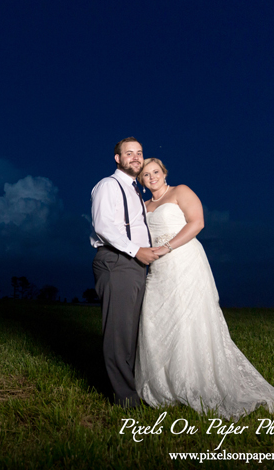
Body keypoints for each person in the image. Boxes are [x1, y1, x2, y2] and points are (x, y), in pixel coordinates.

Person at [134, 157, 274, 420]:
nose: (151, 177)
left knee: (189, 319)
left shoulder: (180, 191)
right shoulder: (144, 205)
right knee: (157, 319)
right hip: (159, 269)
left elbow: (197, 223)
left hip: (184, 259)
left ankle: (195, 382)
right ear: (141, 180)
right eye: (145, 175)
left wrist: (165, 248)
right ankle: (165, 386)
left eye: (155, 171)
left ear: (164, 172)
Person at [90, 137, 160, 408]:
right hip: (117, 262)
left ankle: (131, 391)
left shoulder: (135, 190)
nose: (135, 157)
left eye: (139, 153)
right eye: (128, 153)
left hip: (133, 265)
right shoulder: (109, 185)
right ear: (117, 159)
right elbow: (103, 227)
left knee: (130, 333)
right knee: (119, 335)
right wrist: (136, 251)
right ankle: (126, 403)